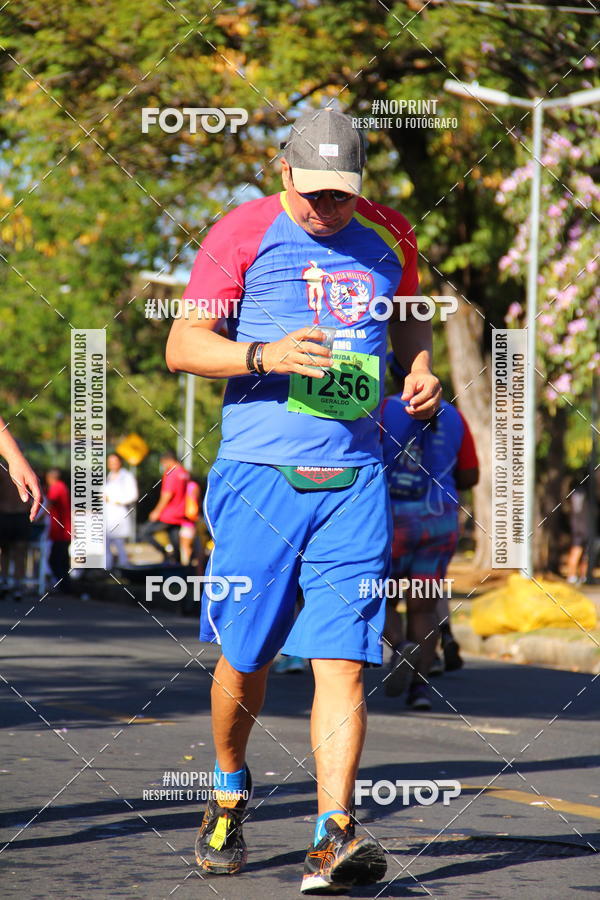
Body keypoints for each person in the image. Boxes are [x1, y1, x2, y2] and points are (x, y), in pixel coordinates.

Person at [166, 108, 440, 894]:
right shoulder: (242, 232)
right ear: (282, 170)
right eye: (314, 193)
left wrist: (418, 371)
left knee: (345, 662)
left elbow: (409, 319)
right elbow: (182, 345)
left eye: (342, 196)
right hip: (259, 476)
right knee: (244, 659)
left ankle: (334, 834)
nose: (327, 209)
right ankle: (226, 790)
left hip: (354, 479)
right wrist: (265, 355)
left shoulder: (389, 234)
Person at [381, 354, 479, 710]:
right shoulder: (454, 417)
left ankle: (398, 649)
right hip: (440, 521)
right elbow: (470, 476)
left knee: (381, 595)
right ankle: (420, 689)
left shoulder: (380, 409)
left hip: (391, 519)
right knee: (424, 607)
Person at [139, 450, 190, 562]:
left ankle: (166, 553)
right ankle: (177, 565)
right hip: (180, 513)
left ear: (167, 460)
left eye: (162, 463)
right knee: (174, 539)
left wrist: (157, 511)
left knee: (144, 532)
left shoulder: (171, 473)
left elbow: (167, 494)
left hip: (169, 514)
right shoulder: (184, 473)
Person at [105, 452, 138, 569]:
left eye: (115, 462)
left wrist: (115, 500)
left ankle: (123, 565)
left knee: (118, 541)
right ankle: (108, 566)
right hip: (108, 514)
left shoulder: (127, 476)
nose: (112, 464)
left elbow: (133, 495)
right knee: (106, 542)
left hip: (119, 513)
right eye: (110, 462)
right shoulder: (109, 476)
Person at [45, 468, 72, 592]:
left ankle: (63, 586)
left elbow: (49, 503)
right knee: (62, 560)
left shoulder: (56, 487)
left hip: (60, 531)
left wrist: (36, 517)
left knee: (55, 560)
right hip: (63, 530)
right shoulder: (63, 487)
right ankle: (65, 586)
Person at [179, 474, 201, 566]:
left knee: (185, 547)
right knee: (192, 547)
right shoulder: (195, 486)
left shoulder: (190, 486)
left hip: (187, 521)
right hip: (192, 520)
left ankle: (186, 567)